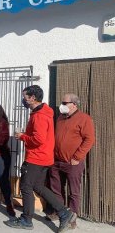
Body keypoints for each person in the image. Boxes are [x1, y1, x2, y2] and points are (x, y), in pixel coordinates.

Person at [4, 85, 76, 232]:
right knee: (38, 186)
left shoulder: (39, 116)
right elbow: (39, 136)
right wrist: (26, 134)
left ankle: (26, 220)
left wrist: (22, 136)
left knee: (26, 187)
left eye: (25, 97)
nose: (23, 100)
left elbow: (38, 139)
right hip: (44, 157)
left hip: (36, 158)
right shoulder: (44, 112)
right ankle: (64, 213)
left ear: (33, 98)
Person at [46, 93, 95, 228]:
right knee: (56, 189)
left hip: (73, 162)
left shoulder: (84, 118)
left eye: (65, 103)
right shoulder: (60, 118)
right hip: (56, 161)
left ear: (74, 104)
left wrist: (77, 157)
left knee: (74, 192)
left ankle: (71, 219)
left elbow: (89, 139)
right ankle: (60, 212)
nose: (62, 105)